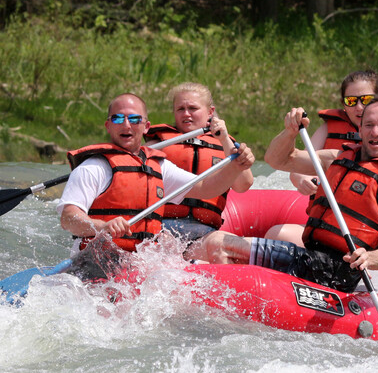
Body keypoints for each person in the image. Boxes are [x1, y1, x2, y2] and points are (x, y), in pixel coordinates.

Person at [199, 97, 378, 293]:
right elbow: (277, 160)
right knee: (211, 247)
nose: (375, 132)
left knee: (219, 243)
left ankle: (226, 308)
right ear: (360, 128)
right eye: (369, 125)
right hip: (309, 255)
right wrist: (290, 132)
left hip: (337, 269)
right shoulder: (336, 159)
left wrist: (369, 259)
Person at [265, 70, 378, 251]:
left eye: (366, 100)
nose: (359, 107)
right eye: (351, 101)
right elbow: (296, 164)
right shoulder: (331, 139)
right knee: (277, 235)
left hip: (373, 239)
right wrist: (302, 179)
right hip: (329, 229)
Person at [56, 92, 255, 255]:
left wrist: (235, 166)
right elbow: (68, 219)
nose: (127, 125)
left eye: (134, 119)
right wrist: (102, 226)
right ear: (108, 125)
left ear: (146, 127)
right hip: (98, 258)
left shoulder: (159, 166)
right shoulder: (93, 168)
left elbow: (205, 188)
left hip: (141, 261)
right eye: (118, 118)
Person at [144, 82, 254, 244]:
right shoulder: (157, 144)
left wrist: (224, 138)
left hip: (204, 230)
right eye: (180, 109)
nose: (186, 114)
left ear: (210, 112)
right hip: (162, 225)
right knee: (165, 242)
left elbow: (243, 185)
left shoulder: (226, 145)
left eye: (193, 108)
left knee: (217, 248)